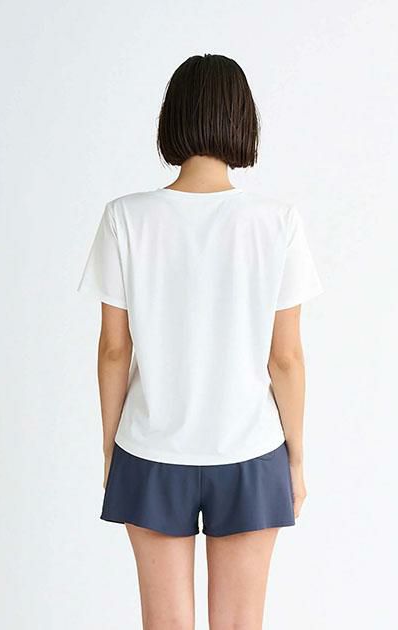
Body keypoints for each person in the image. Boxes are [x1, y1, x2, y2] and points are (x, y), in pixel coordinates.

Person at [77, 53, 324, 630]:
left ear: (173, 119)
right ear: (243, 121)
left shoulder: (125, 218)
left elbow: (114, 349)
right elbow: (285, 357)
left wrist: (111, 448)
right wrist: (296, 457)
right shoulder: (277, 221)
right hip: (252, 450)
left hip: (150, 449)